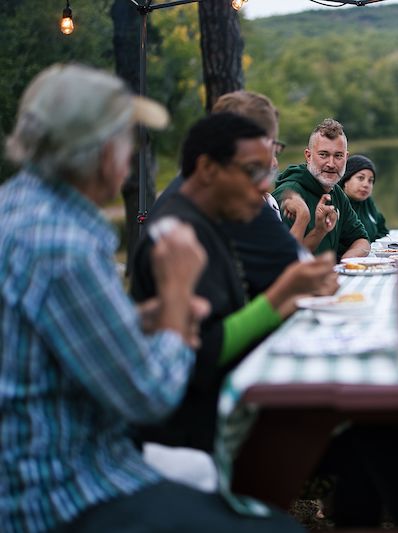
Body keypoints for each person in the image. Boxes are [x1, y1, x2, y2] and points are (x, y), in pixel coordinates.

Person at [0, 63, 301, 533]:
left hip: (56, 464)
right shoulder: (63, 245)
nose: (130, 153)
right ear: (104, 154)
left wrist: (145, 317)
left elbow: (61, 341)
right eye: (126, 140)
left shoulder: (19, 207)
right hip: (63, 492)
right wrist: (178, 295)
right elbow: (151, 396)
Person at [130, 112, 338, 453]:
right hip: (197, 432)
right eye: (253, 172)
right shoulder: (179, 235)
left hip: (219, 404)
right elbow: (205, 353)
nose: (265, 186)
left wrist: (293, 293)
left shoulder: (210, 219)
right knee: (352, 428)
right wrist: (283, 294)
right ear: (209, 169)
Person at [152, 90, 307, 296]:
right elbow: (301, 272)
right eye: (253, 167)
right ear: (209, 166)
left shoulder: (184, 198)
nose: (266, 184)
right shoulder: (230, 205)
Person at [272, 118, 370, 259]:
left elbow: (361, 239)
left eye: (338, 156)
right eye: (323, 155)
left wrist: (345, 265)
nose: (331, 164)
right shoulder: (288, 194)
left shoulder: (336, 192)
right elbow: (285, 260)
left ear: (346, 157)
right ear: (308, 156)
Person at [339, 154, 389, 242]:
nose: (366, 185)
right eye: (360, 178)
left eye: (370, 180)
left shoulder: (368, 202)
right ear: (345, 180)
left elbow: (383, 231)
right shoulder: (337, 202)